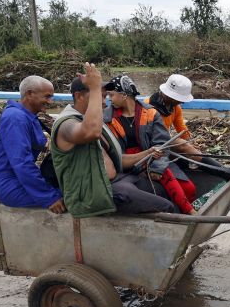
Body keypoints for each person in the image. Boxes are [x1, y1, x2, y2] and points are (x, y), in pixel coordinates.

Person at [51, 64, 174, 217]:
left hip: (117, 180)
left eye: (105, 96)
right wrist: (95, 87)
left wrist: (148, 152)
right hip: (94, 192)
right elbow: (90, 132)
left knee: (161, 191)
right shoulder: (66, 124)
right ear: (79, 96)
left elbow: (119, 160)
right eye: (100, 96)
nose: (104, 103)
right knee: (166, 207)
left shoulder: (96, 123)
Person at [104, 74, 198, 214]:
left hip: (151, 159)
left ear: (124, 95)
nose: (109, 99)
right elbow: (114, 154)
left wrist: (156, 168)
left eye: (111, 95)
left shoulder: (150, 113)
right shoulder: (107, 119)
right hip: (125, 162)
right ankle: (190, 213)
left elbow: (162, 143)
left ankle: (189, 211)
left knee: (189, 188)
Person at [0, 75, 65, 213]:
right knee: (73, 197)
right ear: (30, 94)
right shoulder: (15, 118)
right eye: (47, 96)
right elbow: (22, 163)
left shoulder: (29, 116)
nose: (50, 101)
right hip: (10, 185)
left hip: (20, 178)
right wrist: (49, 197)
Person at [148, 73, 203, 159]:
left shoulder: (175, 108)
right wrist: (184, 144)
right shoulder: (147, 106)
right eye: (179, 99)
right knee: (183, 146)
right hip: (151, 144)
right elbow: (146, 133)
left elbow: (181, 128)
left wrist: (190, 142)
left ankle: (219, 168)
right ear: (168, 95)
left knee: (189, 148)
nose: (181, 102)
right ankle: (222, 170)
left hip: (164, 141)